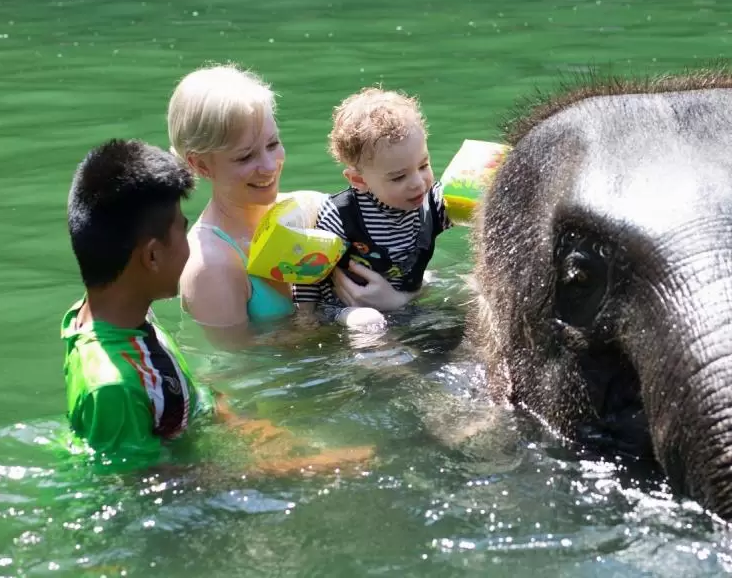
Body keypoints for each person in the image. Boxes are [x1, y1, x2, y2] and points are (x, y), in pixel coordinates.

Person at [62, 138, 372, 474]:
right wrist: (311, 467)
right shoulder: (112, 388)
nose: (192, 243)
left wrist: (259, 433)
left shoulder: (119, 315)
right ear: (152, 256)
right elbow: (149, 488)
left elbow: (191, 401)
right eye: (182, 231)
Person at [167, 64, 313, 347]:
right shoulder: (211, 267)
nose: (270, 166)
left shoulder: (304, 209)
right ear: (200, 165)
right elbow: (242, 371)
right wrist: (315, 320)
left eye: (273, 144)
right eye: (245, 157)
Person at [293, 87, 453, 329]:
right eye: (399, 177)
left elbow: (484, 205)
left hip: (403, 301)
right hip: (344, 310)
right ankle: (388, 364)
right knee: (369, 321)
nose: (418, 183)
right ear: (359, 181)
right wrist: (305, 319)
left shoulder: (433, 203)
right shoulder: (339, 216)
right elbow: (306, 273)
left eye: (423, 165)